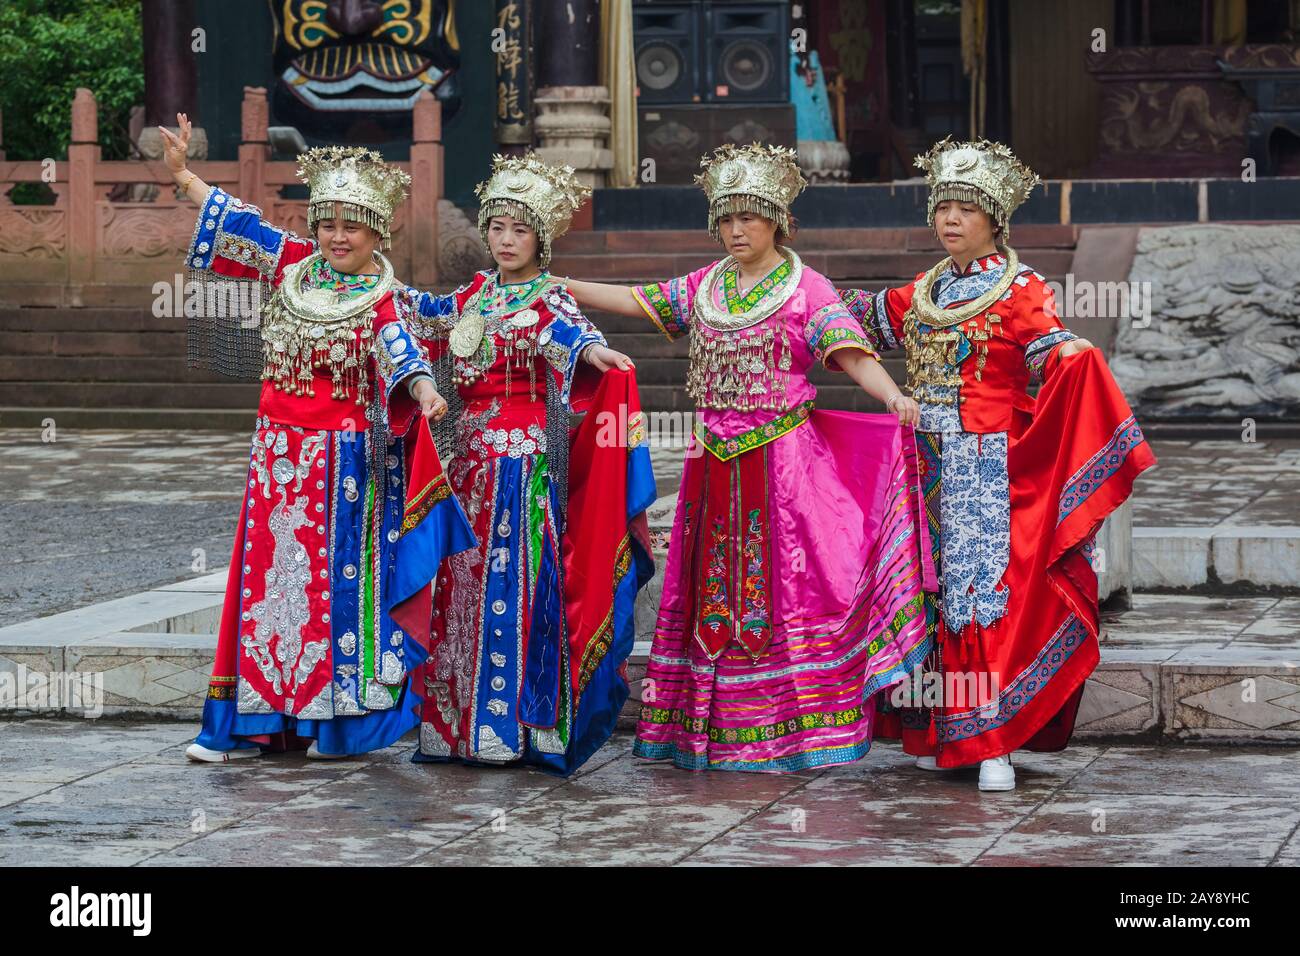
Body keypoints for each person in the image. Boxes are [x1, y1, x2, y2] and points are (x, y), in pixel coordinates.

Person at [565, 144, 931, 772]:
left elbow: (849, 353)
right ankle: (708, 729)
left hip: (784, 463)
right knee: (713, 588)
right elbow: (639, 300)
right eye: (726, 218)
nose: (736, 230)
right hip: (713, 464)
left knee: (786, 586)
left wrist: (894, 395)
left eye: (750, 218)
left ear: (777, 223)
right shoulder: (706, 285)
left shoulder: (805, 287)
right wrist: (565, 285)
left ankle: (794, 729)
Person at [840, 137, 1157, 790]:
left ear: (994, 218)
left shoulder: (1020, 288)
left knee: (980, 599)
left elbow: (1050, 346)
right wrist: (798, 300)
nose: (950, 219)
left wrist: (1073, 357)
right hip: (921, 463)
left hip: (987, 466)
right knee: (927, 595)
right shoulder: (921, 291)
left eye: (965, 207)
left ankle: (993, 742)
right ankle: (935, 729)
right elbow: (858, 322)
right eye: (942, 207)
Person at [158, 114, 476, 762]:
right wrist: (184, 175)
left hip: (341, 465)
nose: (336, 236)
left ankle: (328, 725)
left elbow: (402, 352)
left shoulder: (382, 296)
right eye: (327, 222)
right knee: (266, 585)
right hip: (277, 456)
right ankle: (241, 725)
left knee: (331, 590)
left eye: (350, 226)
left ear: (375, 232)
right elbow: (241, 225)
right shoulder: (294, 266)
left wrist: (425, 391)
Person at [404, 153, 656, 773]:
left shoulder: (550, 300)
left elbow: (571, 335)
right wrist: (362, 282)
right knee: (458, 591)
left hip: (520, 473)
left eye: (520, 229)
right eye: (497, 227)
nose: (507, 240)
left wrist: (598, 354)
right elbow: (413, 316)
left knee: (514, 589)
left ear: (540, 237)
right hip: (464, 471)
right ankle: (452, 728)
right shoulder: (471, 296)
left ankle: (511, 725)